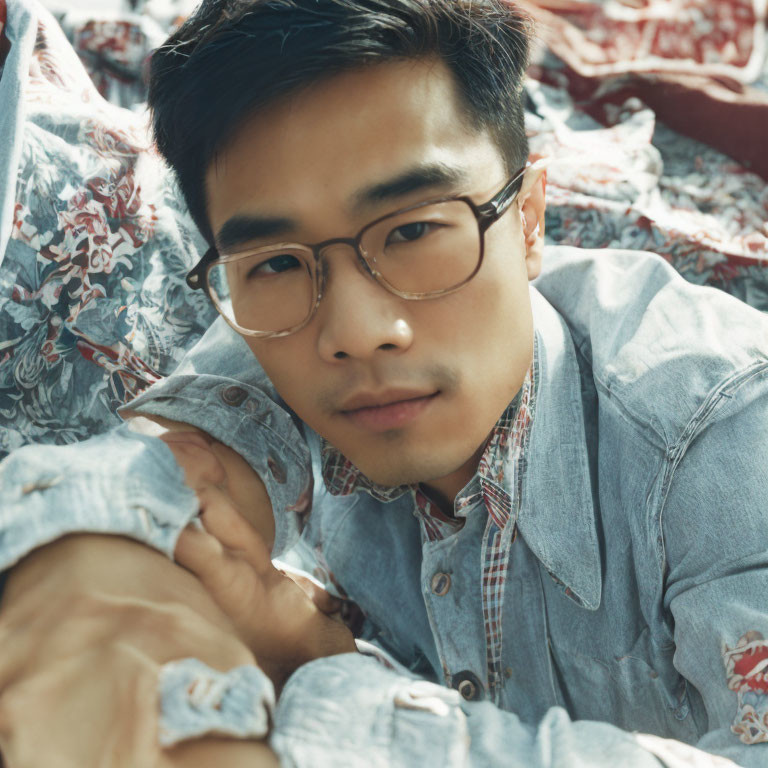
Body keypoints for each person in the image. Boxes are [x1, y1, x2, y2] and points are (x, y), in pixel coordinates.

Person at [0, 0, 767, 765]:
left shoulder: (728, 436)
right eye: (273, 261)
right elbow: (124, 500)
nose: (355, 332)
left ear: (530, 219)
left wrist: (317, 679)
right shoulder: (278, 332)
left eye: (412, 231)